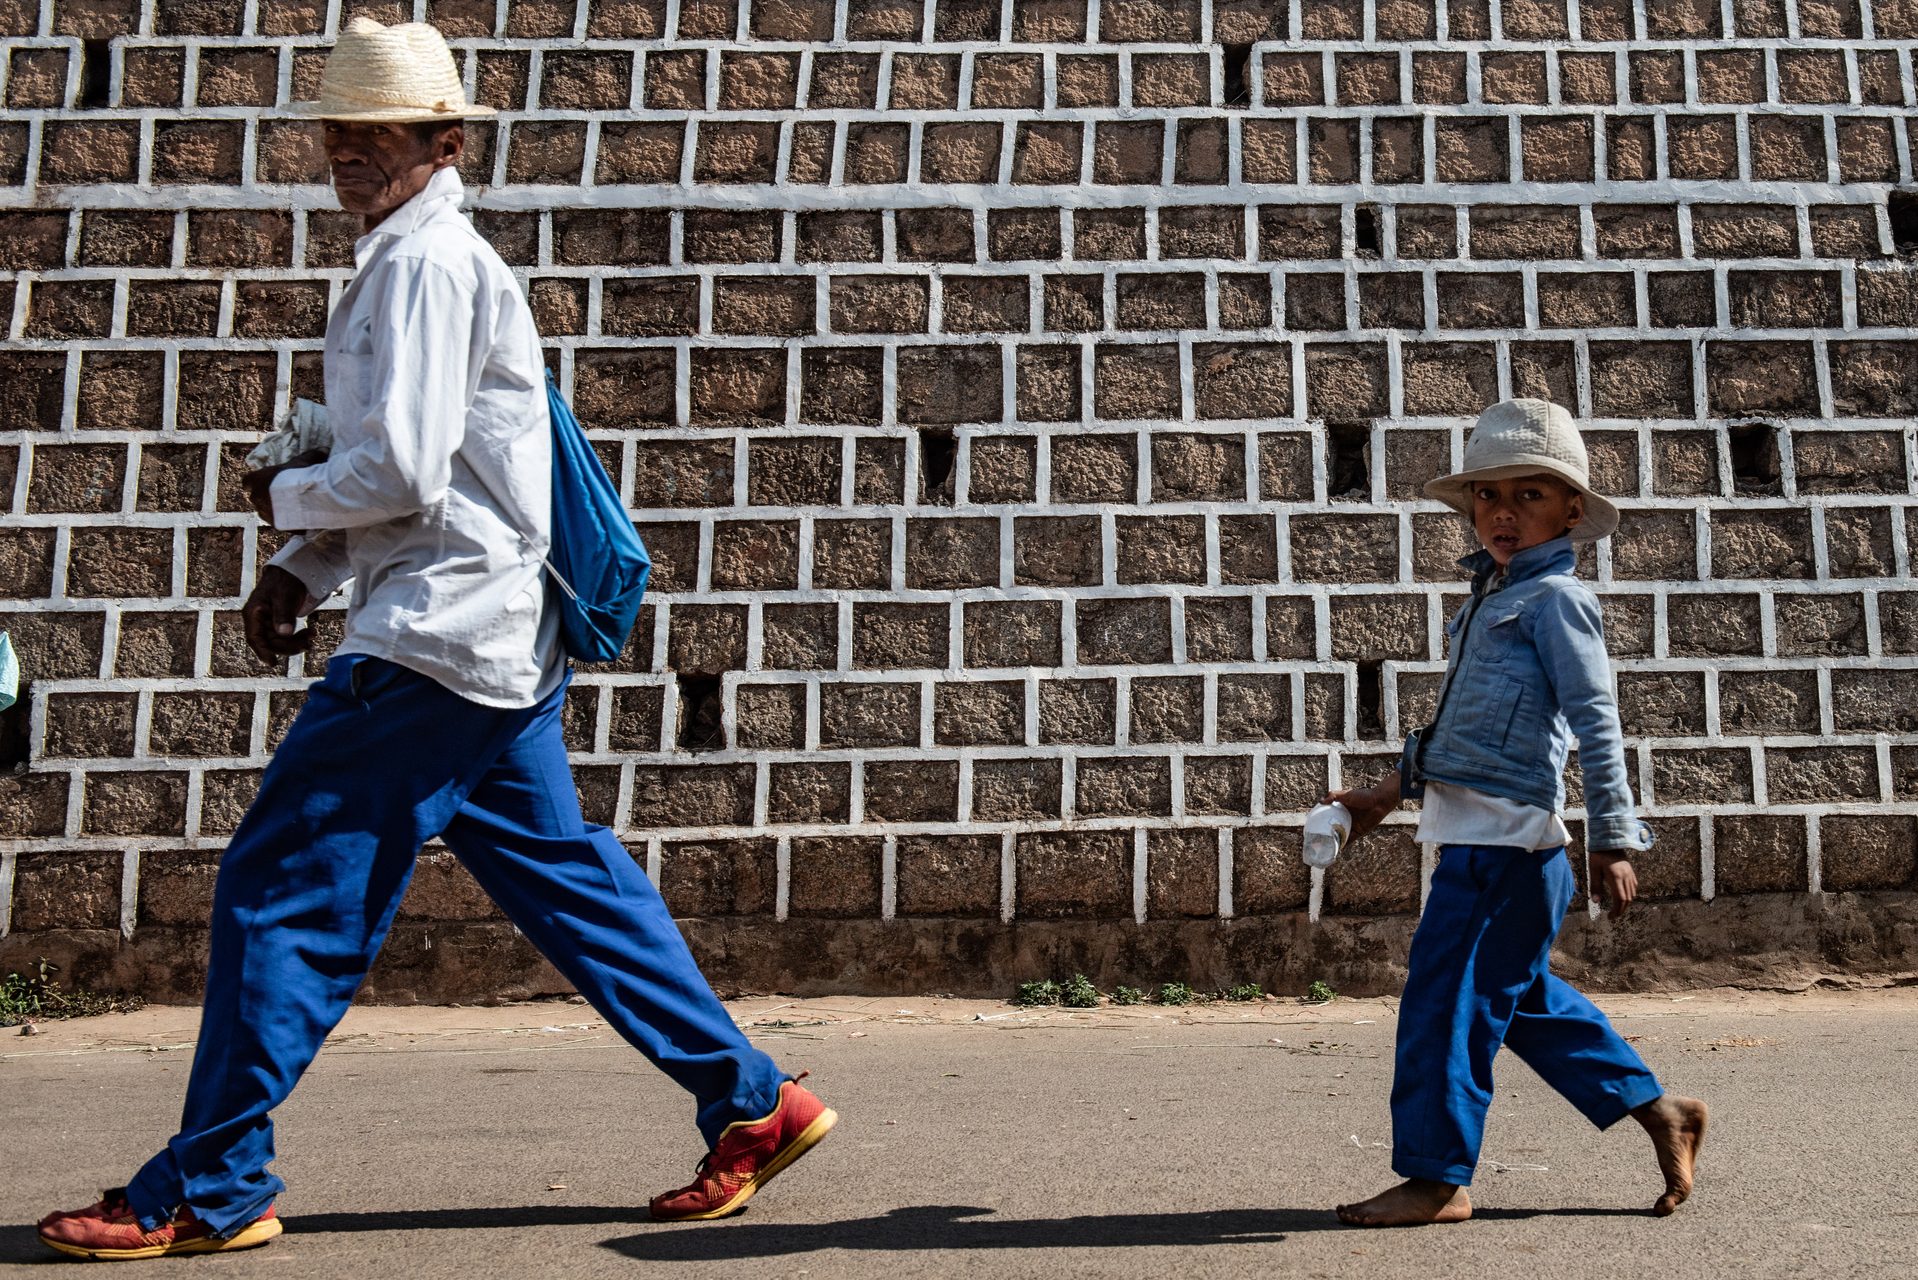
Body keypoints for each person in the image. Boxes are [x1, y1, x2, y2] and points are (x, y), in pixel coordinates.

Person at [36, 19, 834, 1261]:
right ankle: (754, 1101)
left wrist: (284, 511)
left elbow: (401, 468)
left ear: (442, 142)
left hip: (433, 641)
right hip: (484, 637)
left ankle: (213, 1183)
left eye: (379, 135)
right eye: (338, 133)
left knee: (282, 889)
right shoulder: (406, 259)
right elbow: (438, 468)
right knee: (568, 882)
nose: (350, 153)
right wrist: (302, 565)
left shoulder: (425, 265)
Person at [1330, 399, 1707, 1227]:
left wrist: (1611, 837)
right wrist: (1382, 798)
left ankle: (1436, 1179)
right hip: (1472, 842)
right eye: (1487, 496)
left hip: (1508, 852)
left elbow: (1597, 721)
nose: (1503, 512)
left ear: (1572, 511)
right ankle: (1660, 1111)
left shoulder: (1555, 602)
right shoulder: (1486, 601)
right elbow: (1461, 736)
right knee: (1520, 1001)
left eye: (1528, 495)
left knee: (1444, 1008)